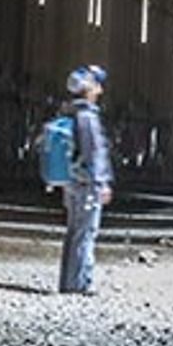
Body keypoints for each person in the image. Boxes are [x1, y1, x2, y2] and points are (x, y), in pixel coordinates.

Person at [58, 64, 112, 295]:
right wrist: (102, 183)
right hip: (86, 184)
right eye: (98, 85)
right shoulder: (88, 117)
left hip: (72, 181)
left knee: (74, 232)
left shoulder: (69, 113)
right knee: (86, 232)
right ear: (89, 87)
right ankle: (80, 284)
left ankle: (68, 282)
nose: (100, 90)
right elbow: (93, 154)